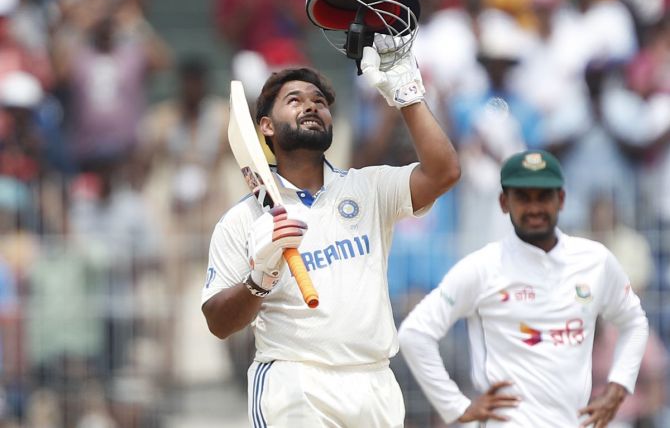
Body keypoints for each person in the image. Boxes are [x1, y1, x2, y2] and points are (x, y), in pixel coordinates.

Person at [200, 35, 461, 427]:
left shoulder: (368, 188)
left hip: (374, 382)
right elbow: (218, 322)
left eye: (319, 102)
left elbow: (445, 172)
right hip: (295, 382)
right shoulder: (243, 219)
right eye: (295, 100)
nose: (311, 105)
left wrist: (407, 94)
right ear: (266, 127)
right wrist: (260, 278)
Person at [398, 149, 649, 427]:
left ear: (561, 200)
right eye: (523, 198)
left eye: (543, 197)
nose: (534, 208)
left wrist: (618, 387)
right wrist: (456, 407)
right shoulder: (483, 266)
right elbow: (415, 333)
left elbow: (634, 322)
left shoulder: (595, 261)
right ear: (504, 202)